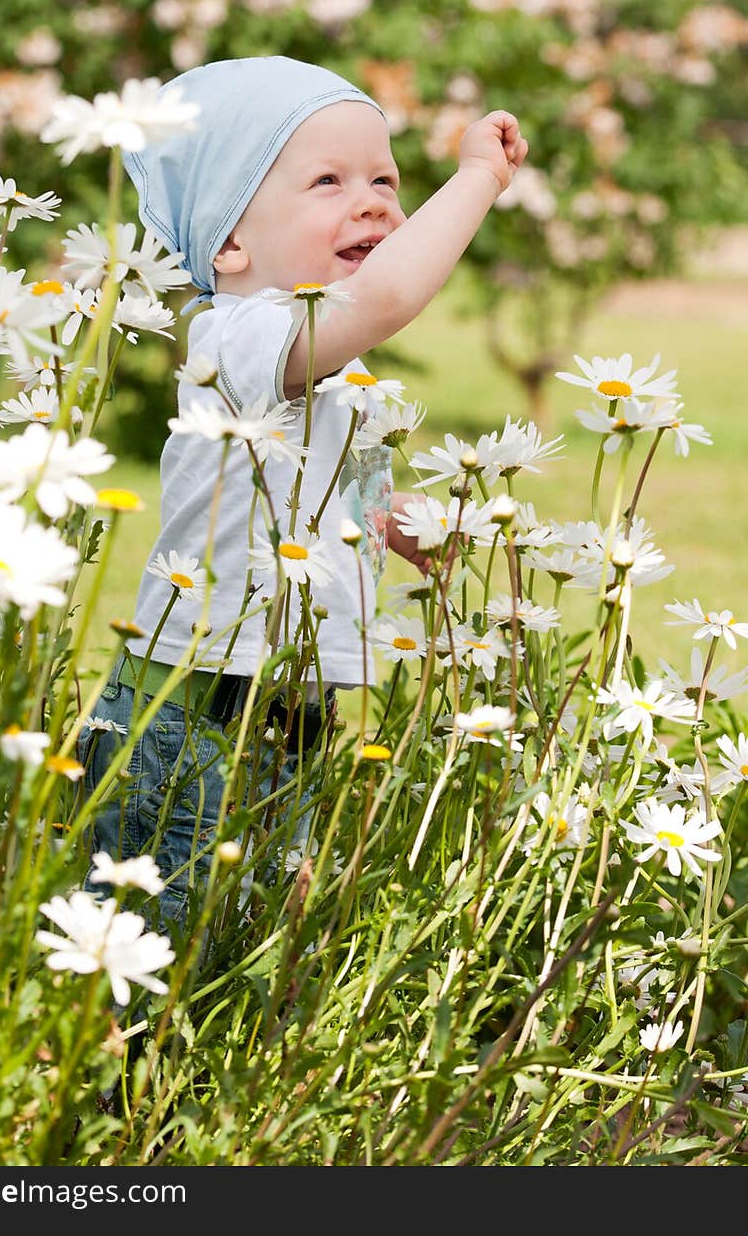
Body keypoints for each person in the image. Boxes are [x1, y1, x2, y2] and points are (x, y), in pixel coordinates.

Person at [78, 54, 527, 944]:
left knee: (245, 909)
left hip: (287, 692)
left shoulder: (332, 362)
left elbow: (343, 479)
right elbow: (390, 294)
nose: (373, 203)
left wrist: (402, 527)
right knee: (157, 911)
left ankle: (204, 1052)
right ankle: (110, 1057)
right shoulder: (240, 333)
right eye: (328, 181)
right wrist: (476, 178)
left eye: (385, 180)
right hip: (194, 700)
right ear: (229, 245)